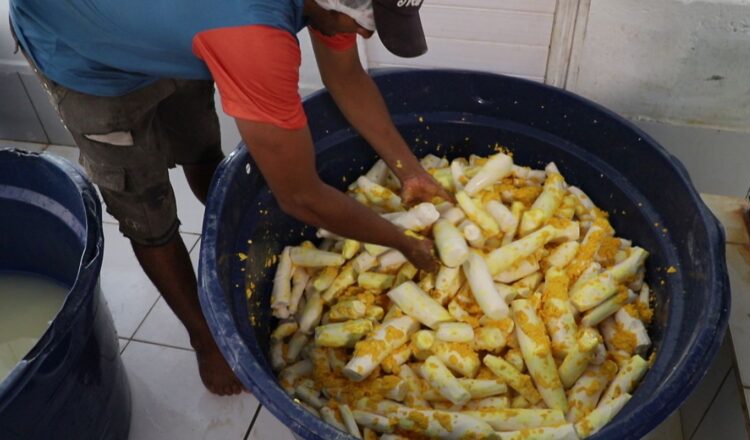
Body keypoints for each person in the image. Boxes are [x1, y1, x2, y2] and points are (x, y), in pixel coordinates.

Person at [9, 0, 450, 396]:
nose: (367, 36)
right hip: (84, 55)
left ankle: (228, 232)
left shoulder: (326, 8)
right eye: (369, 20)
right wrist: (404, 243)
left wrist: (410, 172)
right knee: (148, 213)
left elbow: (347, 76)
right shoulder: (252, 39)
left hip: (175, 28)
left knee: (201, 149)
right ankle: (203, 338)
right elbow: (302, 198)